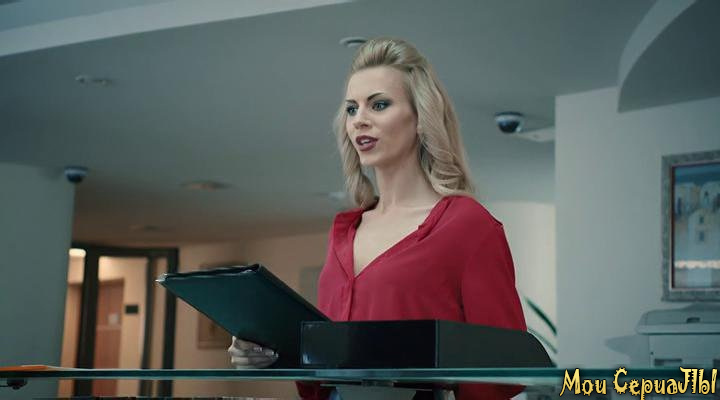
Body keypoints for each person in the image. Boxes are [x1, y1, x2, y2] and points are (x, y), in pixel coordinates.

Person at [229, 37, 527, 400]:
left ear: (421, 118)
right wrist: (273, 354)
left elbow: (505, 367)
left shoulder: (468, 226)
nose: (360, 120)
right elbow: (327, 363)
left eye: (379, 105)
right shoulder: (344, 231)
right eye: (352, 109)